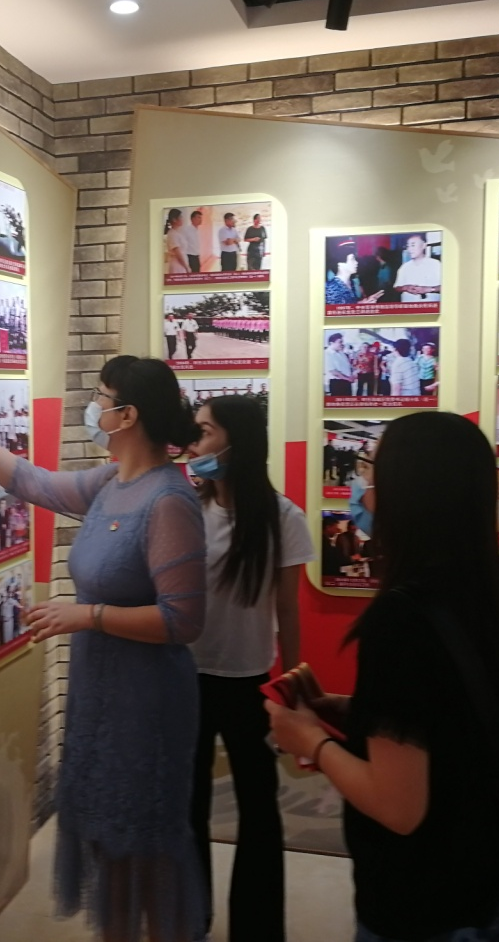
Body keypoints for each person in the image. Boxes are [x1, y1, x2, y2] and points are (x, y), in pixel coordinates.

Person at [0, 359, 208, 942]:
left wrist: (88, 615)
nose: (91, 407)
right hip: (100, 695)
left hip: (146, 706)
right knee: (109, 846)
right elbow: (28, 480)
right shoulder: (110, 483)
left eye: (100, 397)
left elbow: (183, 620)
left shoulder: (169, 500)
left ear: (127, 415)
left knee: (144, 848)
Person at [268, 412, 499, 942]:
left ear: (407, 494)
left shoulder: (402, 619)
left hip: (424, 903)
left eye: (372, 469)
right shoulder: (488, 597)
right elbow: (450, 720)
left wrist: (311, 741)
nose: (361, 486)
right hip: (494, 880)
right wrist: (358, 710)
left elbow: (398, 807)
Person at [186, 396, 313, 942]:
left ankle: (257, 929)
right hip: (186, 678)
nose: (194, 442)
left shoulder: (283, 517)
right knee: (187, 804)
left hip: (249, 681)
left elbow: (288, 609)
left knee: (259, 809)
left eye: (206, 431)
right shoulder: (186, 508)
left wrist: (295, 687)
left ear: (237, 442)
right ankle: (188, 918)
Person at [326, 243, 385, 307]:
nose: (356, 262)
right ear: (340, 264)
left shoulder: (351, 283)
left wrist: (363, 302)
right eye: (352, 259)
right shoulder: (330, 287)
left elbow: (350, 304)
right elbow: (335, 312)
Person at [394, 234, 442, 302]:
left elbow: (447, 286)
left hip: (430, 306)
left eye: (413, 245)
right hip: (409, 306)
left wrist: (429, 289)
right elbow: (396, 287)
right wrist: (406, 288)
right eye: (408, 246)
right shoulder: (404, 267)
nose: (409, 249)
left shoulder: (436, 264)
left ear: (424, 245)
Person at [325, 333, 355, 398]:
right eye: (340, 342)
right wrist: (348, 378)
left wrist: (352, 375)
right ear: (331, 343)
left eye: (342, 342)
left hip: (347, 382)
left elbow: (347, 366)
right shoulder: (327, 354)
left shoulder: (341, 353)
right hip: (337, 383)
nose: (342, 344)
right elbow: (333, 371)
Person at [165, 208, 191, 275]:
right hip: (177, 266)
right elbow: (178, 254)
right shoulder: (172, 234)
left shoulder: (177, 233)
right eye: (180, 217)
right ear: (174, 219)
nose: (182, 219)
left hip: (181, 265)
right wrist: (187, 267)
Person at [185, 210, 204, 274]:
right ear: (192, 219)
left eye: (201, 217)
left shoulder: (197, 231)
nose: (200, 219)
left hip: (196, 257)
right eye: (198, 217)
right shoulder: (187, 230)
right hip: (189, 257)